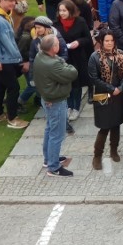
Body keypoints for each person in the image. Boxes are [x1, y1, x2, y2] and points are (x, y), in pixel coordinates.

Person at [34, 35, 78, 177]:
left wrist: (61, 62)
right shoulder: (52, 64)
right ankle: (53, 167)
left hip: (47, 98)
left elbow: (61, 63)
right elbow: (72, 73)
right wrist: (66, 64)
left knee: (49, 129)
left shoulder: (40, 56)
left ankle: (49, 159)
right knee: (57, 134)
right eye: (58, 43)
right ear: (53, 48)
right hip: (56, 101)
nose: (60, 44)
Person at [87, 30, 123, 170]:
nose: (109, 43)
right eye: (106, 40)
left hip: (118, 96)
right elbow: (94, 78)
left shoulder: (121, 54)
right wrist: (112, 89)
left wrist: (121, 88)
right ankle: (97, 156)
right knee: (104, 126)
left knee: (116, 123)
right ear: (101, 41)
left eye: (111, 40)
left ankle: (114, 150)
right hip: (103, 96)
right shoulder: (94, 57)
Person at [0, 0, 29, 128]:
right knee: (14, 87)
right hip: (3, 60)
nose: (13, 4)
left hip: (8, 59)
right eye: (10, 1)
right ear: (0, 0)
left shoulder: (5, 15)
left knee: (0, 86)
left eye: (14, 1)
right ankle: (12, 119)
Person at [54, 0, 92, 122]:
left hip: (78, 56)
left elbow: (87, 38)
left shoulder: (80, 22)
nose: (62, 13)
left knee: (77, 83)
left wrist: (78, 42)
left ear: (70, 10)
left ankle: (76, 107)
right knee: (66, 83)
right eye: (60, 11)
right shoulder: (56, 25)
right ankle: (69, 106)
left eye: (64, 10)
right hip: (63, 58)